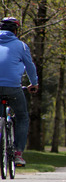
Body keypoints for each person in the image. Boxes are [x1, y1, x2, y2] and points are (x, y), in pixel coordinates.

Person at [0, 17, 39, 167]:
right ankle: (17, 154)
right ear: (16, 31)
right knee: (22, 117)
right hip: (13, 88)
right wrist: (34, 83)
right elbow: (30, 66)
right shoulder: (21, 46)